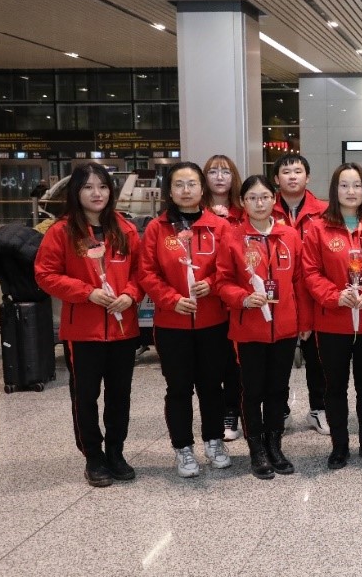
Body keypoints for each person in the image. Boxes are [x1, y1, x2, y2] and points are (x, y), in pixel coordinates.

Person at [35, 163, 143, 487]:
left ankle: (116, 452)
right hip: (83, 332)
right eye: (88, 187)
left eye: (103, 186)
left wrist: (130, 294)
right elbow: (45, 274)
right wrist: (87, 293)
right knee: (85, 397)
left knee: (119, 395)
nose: (97, 193)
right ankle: (93, 456)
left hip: (123, 330)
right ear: (76, 191)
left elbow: (141, 273)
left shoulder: (125, 229)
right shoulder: (62, 231)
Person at [139, 161, 232, 477]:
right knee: (178, 388)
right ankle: (183, 448)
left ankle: (214, 441)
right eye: (179, 184)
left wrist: (213, 283)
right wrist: (171, 300)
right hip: (172, 324)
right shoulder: (157, 228)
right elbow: (147, 273)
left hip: (213, 322)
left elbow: (229, 268)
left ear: (202, 188)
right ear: (169, 190)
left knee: (211, 386)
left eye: (192, 183)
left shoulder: (219, 227)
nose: (186, 190)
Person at [216, 175, 311, 479]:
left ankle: (275, 444)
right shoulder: (232, 237)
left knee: (278, 389)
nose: (259, 203)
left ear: (274, 199)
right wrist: (242, 298)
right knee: (252, 389)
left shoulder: (289, 236)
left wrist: (304, 322)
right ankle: (256, 448)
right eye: (252, 198)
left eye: (265, 197)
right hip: (249, 328)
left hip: (285, 328)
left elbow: (299, 281)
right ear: (243, 202)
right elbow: (222, 281)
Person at [303, 163, 362, 469]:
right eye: (344, 185)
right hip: (333, 321)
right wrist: (334, 296)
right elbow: (311, 272)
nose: (351, 191)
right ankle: (339, 446)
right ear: (335, 190)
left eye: (357, 185)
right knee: (335, 387)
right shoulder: (318, 228)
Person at [271, 153, 327, 436]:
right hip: (277, 296)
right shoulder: (264, 209)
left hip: (315, 295)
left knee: (318, 359)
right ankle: (280, 410)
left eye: (297, 171)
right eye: (286, 172)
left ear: (308, 177)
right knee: (278, 359)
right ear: (276, 178)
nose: (292, 176)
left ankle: (319, 409)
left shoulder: (325, 211)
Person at [202, 154, 245, 442]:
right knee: (211, 363)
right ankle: (215, 413)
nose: (220, 177)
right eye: (213, 172)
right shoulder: (196, 212)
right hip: (207, 301)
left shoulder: (243, 211)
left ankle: (233, 410)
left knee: (235, 362)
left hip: (237, 298)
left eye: (226, 172)